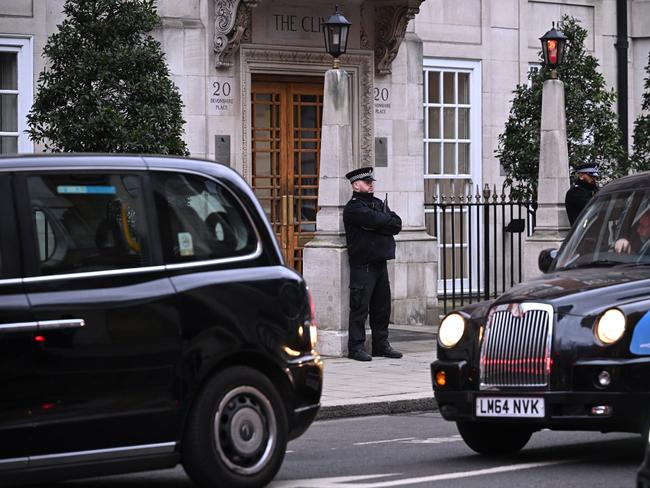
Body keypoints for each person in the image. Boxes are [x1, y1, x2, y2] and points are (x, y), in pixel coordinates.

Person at [343, 166, 403, 361]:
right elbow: (376, 220)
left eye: (371, 182)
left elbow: (396, 224)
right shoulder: (354, 208)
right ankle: (356, 347)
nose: (370, 185)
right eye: (366, 182)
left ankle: (380, 344)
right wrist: (382, 222)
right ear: (355, 185)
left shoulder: (377, 203)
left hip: (380, 262)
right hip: (364, 263)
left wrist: (380, 224)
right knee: (360, 306)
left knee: (382, 306)